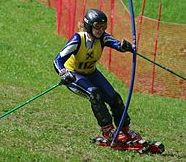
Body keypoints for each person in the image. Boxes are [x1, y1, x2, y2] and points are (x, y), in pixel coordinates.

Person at [53, 9, 141, 143]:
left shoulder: (103, 38)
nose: (100, 30)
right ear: (89, 26)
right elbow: (57, 60)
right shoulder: (78, 39)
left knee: (115, 98)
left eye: (103, 27)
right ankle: (107, 130)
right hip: (74, 75)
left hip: (92, 73)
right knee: (94, 93)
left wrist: (125, 46)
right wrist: (64, 73)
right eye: (97, 27)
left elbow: (117, 44)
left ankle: (124, 129)